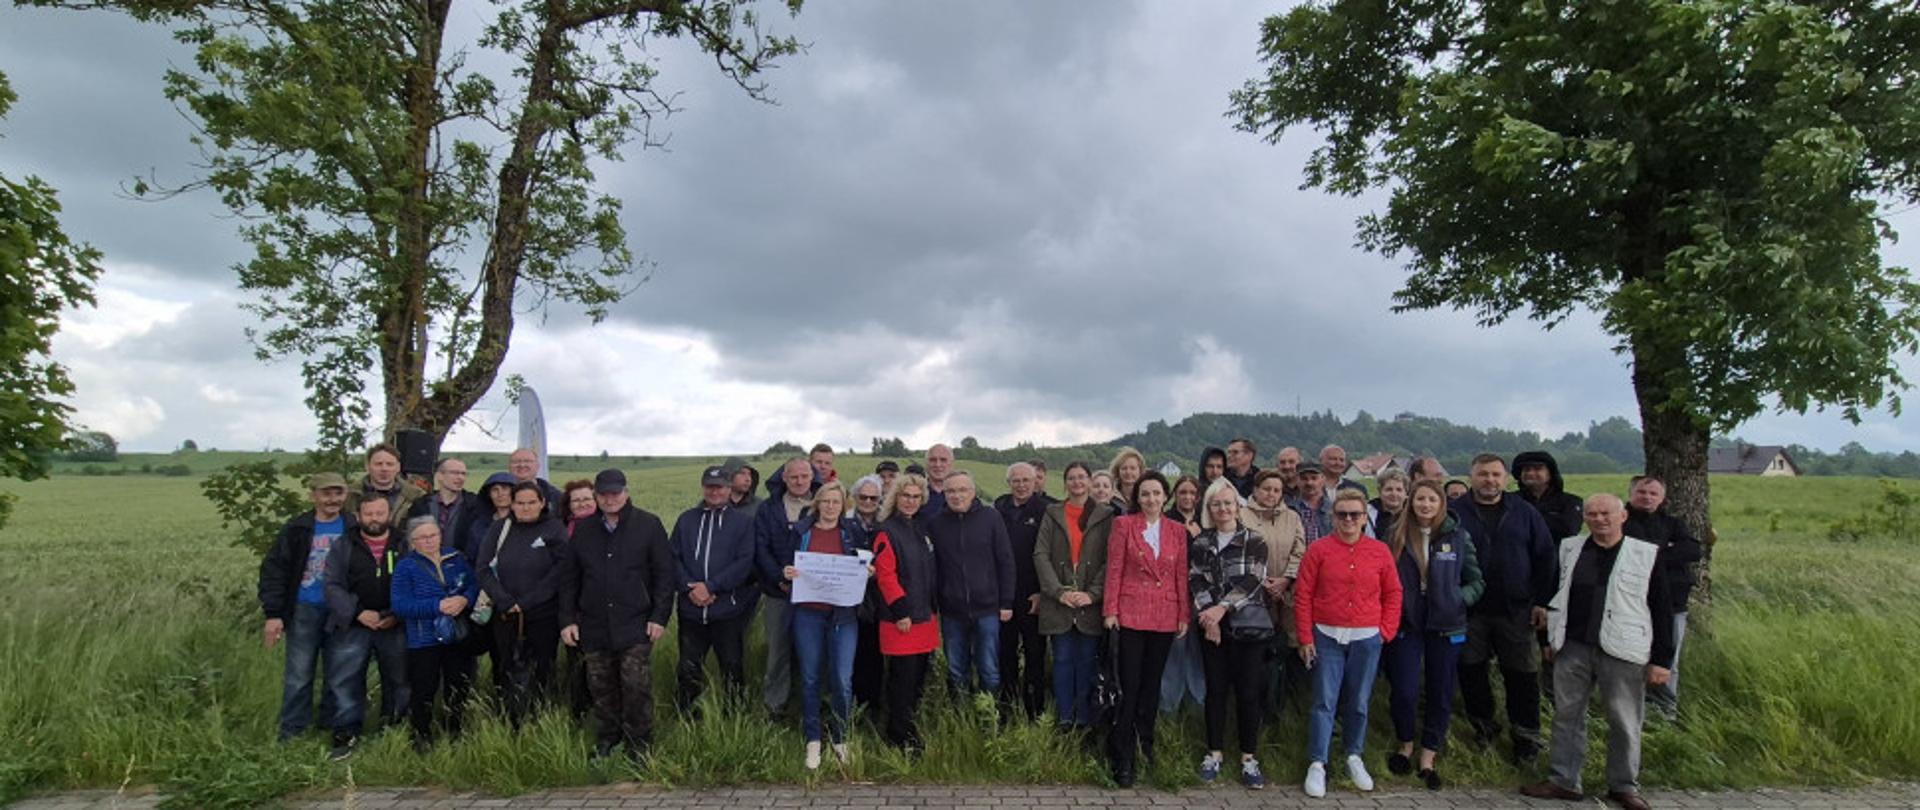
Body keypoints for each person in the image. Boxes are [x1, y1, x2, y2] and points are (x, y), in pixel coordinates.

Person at [1521, 495, 1675, 810]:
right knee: (1567, 715)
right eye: (1591, 514)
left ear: (1623, 516)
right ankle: (1564, 781)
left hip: (1623, 648)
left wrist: (1662, 659)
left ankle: (1623, 786)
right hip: (1573, 644)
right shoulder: (1569, 549)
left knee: (1624, 719)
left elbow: (1662, 608)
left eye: (1606, 513)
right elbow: (1553, 596)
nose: (1598, 519)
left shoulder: (1644, 555)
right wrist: (1548, 640)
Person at [558, 468, 676, 760]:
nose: (610, 499)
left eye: (615, 493)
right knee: (601, 686)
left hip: (636, 622)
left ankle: (640, 745)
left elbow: (665, 575)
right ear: (596, 496)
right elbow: (570, 579)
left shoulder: (648, 525)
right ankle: (607, 740)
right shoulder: (583, 530)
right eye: (604, 494)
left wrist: (659, 617)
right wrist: (568, 620)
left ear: (626, 492)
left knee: (636, 686)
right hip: (594, 624)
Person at [1295, 489, 1403, 799]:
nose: (1348, 520)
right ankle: (1318, 762)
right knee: (1324, 701)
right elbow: (1303, 595)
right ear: (1333, 517)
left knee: (1358, 701)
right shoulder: (1319, 550)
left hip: (1367, 636)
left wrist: (1385, 631)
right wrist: (1305, 637)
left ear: (1363, 517)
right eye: (1342, 514)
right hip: (1327, 635)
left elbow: (1393, 592)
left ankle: (1354, 755)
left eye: (1355, 514)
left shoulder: (1379, 551)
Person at [1450, 453, 1557, 764]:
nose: (1490, 480)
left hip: (1516, 609)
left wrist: (1541, 600)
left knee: (1521, 675)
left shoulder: (1524, 512)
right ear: (1472, 477)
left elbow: (1546, 557)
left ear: (1507, 479)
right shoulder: (1455, 513)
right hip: (1469, 611)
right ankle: (1484, 731)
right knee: (1472, 672)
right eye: (1483, 474)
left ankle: (1526, 740)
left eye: (1496, 475)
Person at [1383, 480, 1484, 790]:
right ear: (1411, 502)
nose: (1425, 505)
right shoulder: (1395, 536)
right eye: (1420, 499)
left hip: (1446, 624)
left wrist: (1457, 599)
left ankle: (1428, 755)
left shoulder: (1457, 536)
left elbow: (1476, 581)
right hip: (1407, 623)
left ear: (1441, 504)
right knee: (1405, 690)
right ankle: (1405, 744)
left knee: (1441, 691)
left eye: (1431, 500)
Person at [1101, 471, 1190, 788]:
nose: (1151, 499)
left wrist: (1183, 613)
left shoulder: (1177, 531)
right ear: (1137, 498)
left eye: (1156, 493)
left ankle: (1146, 745)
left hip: (1165, 615)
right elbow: (1114, 569)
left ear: (1165, 497)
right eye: (1145, 494)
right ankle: (1123, 755)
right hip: (1130, 612)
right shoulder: (1124, 525)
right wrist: (1110, 609)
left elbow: (1181, 574)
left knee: (1152, 686)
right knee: (1130, 685)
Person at [1189, 480, 1275, 789]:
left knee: (1248, 694)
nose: (1223, 509)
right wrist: (1208, 618)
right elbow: (1196, 579)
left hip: (1247, 628)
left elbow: (1254, 580)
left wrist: (1221, 609)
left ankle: (1248, 758)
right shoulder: (1201, 542)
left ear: (1237, 506)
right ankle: (1214, 753)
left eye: (1228, 503)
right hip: (1211, 628)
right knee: (1215, 691)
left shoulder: (1255, 540)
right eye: (1216, 504)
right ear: (1209, 509)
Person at [259, 472, 353, 745]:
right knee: (299, 674)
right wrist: (273, 614)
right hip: (304, 608)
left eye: (338, 493)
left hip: (341, 612)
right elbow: (274, 570)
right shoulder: (297, 529)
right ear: (313, 496)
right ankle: (292, 733)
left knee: (339, 672)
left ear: (345, 496)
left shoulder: (353, 526)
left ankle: (330, 726)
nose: (332, 499)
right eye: (326, 493)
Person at [475, 480, 570, 728]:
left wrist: (527, 602)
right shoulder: (499, 528)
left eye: (531, 503)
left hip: (543, 613)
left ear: (542, 503)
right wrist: (505, 600)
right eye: (520, 503)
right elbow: (483, 568)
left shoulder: (554, 528)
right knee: (506, 665)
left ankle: (540, 717)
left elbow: (561, 570)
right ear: (512, 504)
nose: (526, 508)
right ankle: (510, 717)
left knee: (542, 666)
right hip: (505, 613)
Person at [783, 480, 864, 769]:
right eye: (826, 501)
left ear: (844, 505)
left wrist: (868, 569)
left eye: (836, 502)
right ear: (817, 503)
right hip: (808, 613)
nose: (831, 507)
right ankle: (813, 738)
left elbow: (865, 564)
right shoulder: (801, 532)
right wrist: (787, 572)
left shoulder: (853, 532)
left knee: (842, 680)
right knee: (810, 678)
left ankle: (841, 737)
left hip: (843, 616)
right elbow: (785, 563)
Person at [322, 495, 409, 757]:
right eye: (369, 514)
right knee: (345, 680)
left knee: (399, 679)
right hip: (353, 624)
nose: (374, 518)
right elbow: (332, 585)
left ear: (389, 515)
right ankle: (345, 735)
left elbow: (414, 579)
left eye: (380, 513)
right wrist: (358, 613)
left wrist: (396, 613)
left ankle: (394, 730)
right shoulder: (343, 544)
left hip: (393, 623)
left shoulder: (403, 543)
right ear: (358, 516)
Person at [670, 465, 760, 713]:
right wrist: (690, 588)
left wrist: (712, 587)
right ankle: (687, 715)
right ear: (703, 488)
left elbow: (744, 562)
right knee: (688, 666)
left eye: (719, 487)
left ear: (729, 489)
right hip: (691, 610)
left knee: (731, 665)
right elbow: (673, 558)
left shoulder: (742, 523)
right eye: (710, 487)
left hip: (726, 610)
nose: (714, 492)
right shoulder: (686, 519)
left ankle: (734, 715)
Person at [1034, 462, 1114, 735]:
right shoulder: (1052, 513)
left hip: (1090, 602)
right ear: (1065, 482)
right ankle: (1065, 719)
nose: (1077, 482)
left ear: (1090, 481)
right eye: (1071, 478)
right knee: (1063, 660)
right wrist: (1058, 592)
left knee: (1087, 661)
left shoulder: (1106, 515)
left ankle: (1085, 720)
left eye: (1082, 477)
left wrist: (1091, 594)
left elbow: (1110, 560)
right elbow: (1040, 555)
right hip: (1060, 602)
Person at [388, 517, 478, 751]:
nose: (429, 541)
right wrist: (436, 606)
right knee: (424, 689)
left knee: (458, 686)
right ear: (412, 542)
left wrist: (464, 599)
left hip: (456, 635)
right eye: (423, 537)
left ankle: (456, 732)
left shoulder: (455, 558)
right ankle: (422, 736)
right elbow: (400, 605)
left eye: (433, 535)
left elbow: (473, 585)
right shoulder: (406, 567)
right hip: (423, 638)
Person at [928, 471, 1015, 700]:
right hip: (951, 610)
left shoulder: (991, 517)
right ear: (944, 494)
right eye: (951, 491)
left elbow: (1005, 560)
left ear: (973, 492)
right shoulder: (936, 524)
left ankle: (989, 718)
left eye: (962, 490)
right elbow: (932, 567)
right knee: (957, 669)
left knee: (989, 669)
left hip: (987, 607)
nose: (957, 496)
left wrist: (1006, 601)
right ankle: (962, 717)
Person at [1623, 475, 1701, 719]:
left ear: (1662, 498)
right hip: (1631, 604)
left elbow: (1692, 550)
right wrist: (1663, 549)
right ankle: (1632, 713)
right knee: (1630, 660)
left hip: (1673, 604)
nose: (1647, 497)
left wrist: (1649, 555)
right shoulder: (1619, 521)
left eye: (1653, 493)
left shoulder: (1674, 524)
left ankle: (1666, 714)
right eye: (1641, 492)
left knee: (1669, 661)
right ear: (1631, 494)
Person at [871, 473, 940, 752]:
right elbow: (885, 576)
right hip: (902, 620)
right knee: (902, 682)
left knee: (918, 682)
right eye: (905, 496)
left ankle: (907, 731)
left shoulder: (922, 529)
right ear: (895, 497)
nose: (910, 501)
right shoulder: (886, 531)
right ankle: (899, 737)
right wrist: (901, 611)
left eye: (915, 497)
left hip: (925, 618)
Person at [753, 457, 819, 719]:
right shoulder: (769, 509)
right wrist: (779, 578)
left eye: (804, 476)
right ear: (784, 478)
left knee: (814, 652)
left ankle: (814, 705)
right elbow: (761, 549)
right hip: (778, 592)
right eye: (794, 477)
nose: (800, 481)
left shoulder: (823, 504)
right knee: (777, 652)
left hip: (815, 596)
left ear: (811, 476)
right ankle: (774, 706)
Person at [1241, 470, 1308, 713]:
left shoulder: (1292, 517)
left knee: (1289, 647)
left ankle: (1286, 704)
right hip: (1255, 595)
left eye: (1277, 490)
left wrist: (1286, 578)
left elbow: (1300, 550)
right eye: (1266, 488)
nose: (1271, 494)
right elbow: (1241, 553)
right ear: (1256, 490)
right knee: (1259, 653)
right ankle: (1258, 706)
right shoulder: (1242, 516)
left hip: (1287, 593)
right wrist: (1264, 582)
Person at [994, 462, 1050, 720]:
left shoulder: (1046, 510)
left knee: (1034, 654)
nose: (1021, 485)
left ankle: (1034, 710)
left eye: (1026, 480)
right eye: (1015, 480)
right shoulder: (998, 508)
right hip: (1003, 595)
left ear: (1036, 481)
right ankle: (1006, 707)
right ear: (1008, 483)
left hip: (1033, 595)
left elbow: (1050, 554)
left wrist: (1042, 592)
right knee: (1005, 653)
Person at [1160, 474, 1208, 714]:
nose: (1187, 497)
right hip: (1173, 595)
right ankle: (1169, 705)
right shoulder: (1166, 521)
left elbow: (1210, 561)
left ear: (1198, 497)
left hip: (1199, 596)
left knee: (1197, 651)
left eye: (1192, 493)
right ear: (1174, 496)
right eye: (1183, 493)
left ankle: (1197, 704)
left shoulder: (1205, 523)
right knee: (1175, 650)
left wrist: (1199, 538)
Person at [848, 474, 888, 713]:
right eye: (863, 497)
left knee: (874, 653)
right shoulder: (844, 523)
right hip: (848, 596)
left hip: (877, 597)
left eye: (874, 498)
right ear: (855, 497)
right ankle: (849, 703)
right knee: (849, 652)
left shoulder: (885, 523)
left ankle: (872, 705)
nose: (868, 502)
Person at [408, 457, 482, 558]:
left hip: (461, 566)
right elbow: (411, 538)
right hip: (425, 564)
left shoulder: (474, 505)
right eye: (454, 473)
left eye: (463, 474)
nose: (460, 477)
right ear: (439, 476)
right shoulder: (421, 505)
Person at [1513, 451, 1585, 541]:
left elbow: (1569, 530)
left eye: (1537, 469)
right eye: (1526, 469)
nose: (1530, 473)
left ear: (1550, 474)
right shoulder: (1509, 500)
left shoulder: (1571, 502)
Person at [346, 443, 427, 520]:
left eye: (389, 464)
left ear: (398, 467)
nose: (384, 469)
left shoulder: (416, 496)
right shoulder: (349, 495)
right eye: (378, 464)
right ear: (367, 466)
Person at [465, 472, 516, 562]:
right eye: (495, 490)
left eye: (505, 489)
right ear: (489, 495)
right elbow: (472, 557)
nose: (500, 494)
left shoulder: (524, 522)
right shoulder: (479, 525)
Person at [507, 447, 565, 519]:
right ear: (509, 466)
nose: (522, 465)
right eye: (516, 462)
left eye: (527, 461)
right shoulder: (498, 495)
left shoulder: (555, 496)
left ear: (537, 466)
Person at [1289, 462, 1332, 541]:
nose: (1309, 483)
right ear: (1297, 481)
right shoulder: (1289, 510)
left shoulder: (1334, 510)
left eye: (1314, 478)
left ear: (1323, 480)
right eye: (1304, 479)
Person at [1370, 469, 1410, 541]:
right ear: (1380, 491)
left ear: (1406, 493)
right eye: (1389, 489)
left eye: (1399, 490)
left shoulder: (1413, 514)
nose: (1394, 494)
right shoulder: (1368, 515)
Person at [1107, 447, 1147, 515]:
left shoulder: (1147, 496)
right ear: (1118, 471)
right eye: (1124, 468)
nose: (1128, 472)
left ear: (1140, 471)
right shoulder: (1108, 496)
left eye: (1133, 468)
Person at [924, 444, 955, 515]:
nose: (938, 465)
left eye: (943, 460)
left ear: (952, 463)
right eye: (933, 460)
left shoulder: (964, 495)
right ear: (926, 463)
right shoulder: (916, 493)